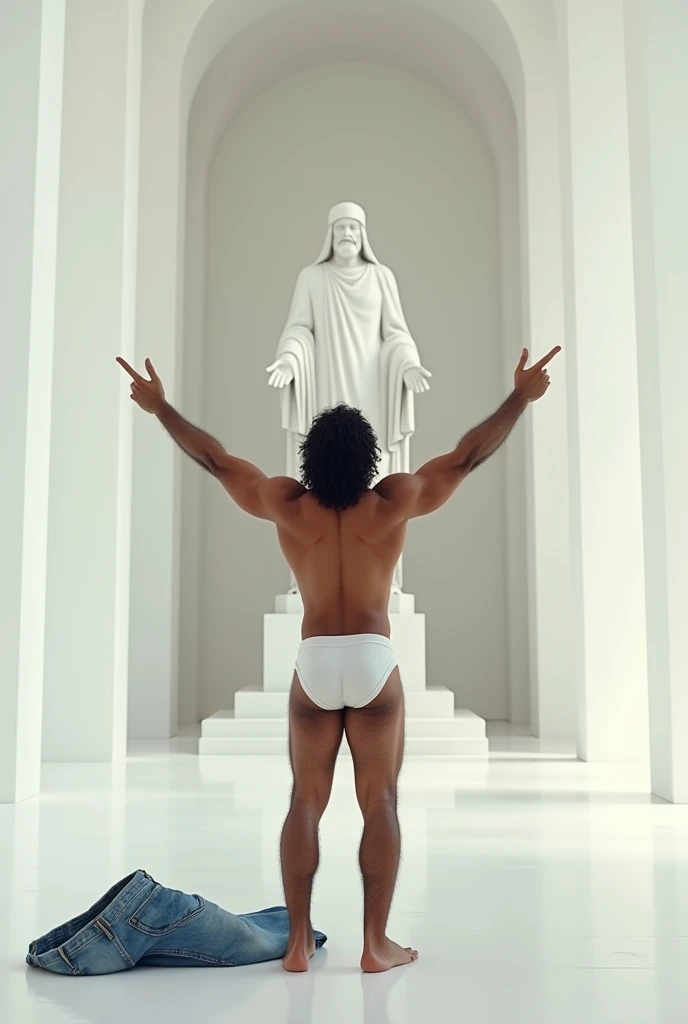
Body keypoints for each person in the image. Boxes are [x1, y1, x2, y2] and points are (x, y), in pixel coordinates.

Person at [117, 342, 560, 973]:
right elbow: (466, 456)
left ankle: (297, 942)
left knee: (304, 799)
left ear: (309, 459)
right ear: (371, 457)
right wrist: (519, 397)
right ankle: (375, 946)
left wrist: (161, 408)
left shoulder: (286, 503)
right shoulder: (395, 499)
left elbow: (214, 461)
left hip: (316, 661)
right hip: (374, 660)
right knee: (379, 802)